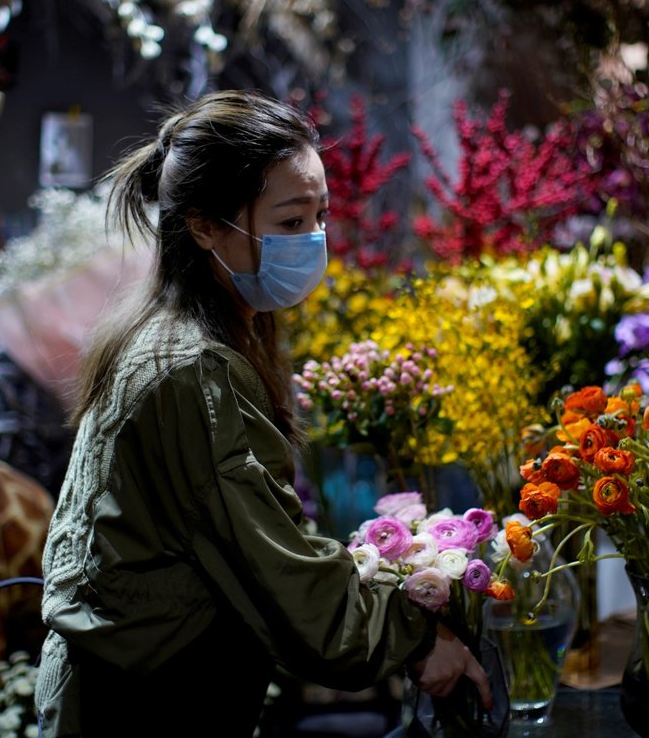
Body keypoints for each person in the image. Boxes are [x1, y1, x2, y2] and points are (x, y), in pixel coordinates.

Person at [35, 90, 490, 737]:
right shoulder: (193, 369)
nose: (312, 241)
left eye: (320, 216)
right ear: (205, 225)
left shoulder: (171, 337)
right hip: (144, 708)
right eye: (288, 222)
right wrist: (412, 637)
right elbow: (276, 565)